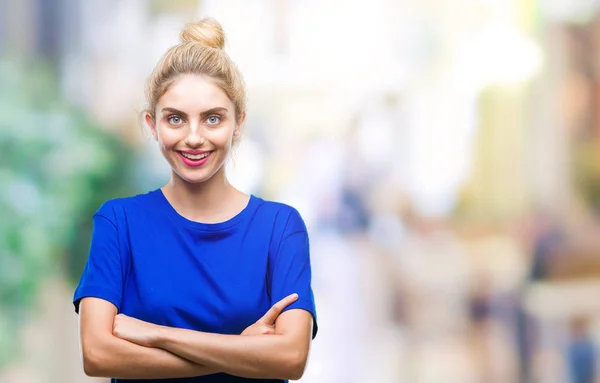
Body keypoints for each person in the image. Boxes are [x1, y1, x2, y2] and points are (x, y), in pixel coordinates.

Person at [72, 18, 318, 383]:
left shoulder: (280, 228)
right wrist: (242, 350)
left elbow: (291, 357)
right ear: (152, 124)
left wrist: (158, 335)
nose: (193, 137)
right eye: (175, 119)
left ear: (238, 124)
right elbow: (97, 354)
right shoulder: (119, 222)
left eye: (213, 119)